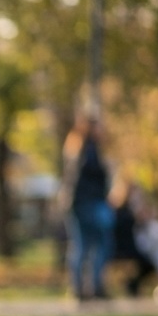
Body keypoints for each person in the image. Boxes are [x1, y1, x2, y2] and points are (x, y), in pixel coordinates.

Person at [57, 114, 114, 300]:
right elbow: (90, 180)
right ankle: (95, 285)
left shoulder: (75, 149)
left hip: (77, 204)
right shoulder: (90, 151)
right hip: (89, 203)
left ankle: (78, 288)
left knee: (80, 246)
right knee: (100, 244)